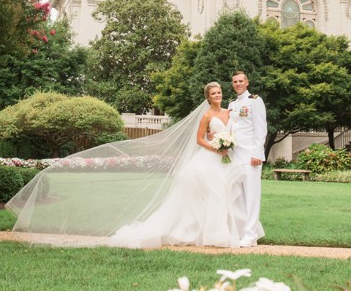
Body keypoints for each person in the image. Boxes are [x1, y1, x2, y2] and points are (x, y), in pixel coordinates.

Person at [103, 82, 244, 248]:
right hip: (211, 158)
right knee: (214, 193)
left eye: (219, 92)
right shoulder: (206, 116)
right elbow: (199, 140)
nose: (217, 95)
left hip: (226, 159)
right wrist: (216, 148)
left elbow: (235, 131)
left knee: (225, 193)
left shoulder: (230, 112)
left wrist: (227, 144)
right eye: (213, 93)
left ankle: (225, 232)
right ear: (208, 97)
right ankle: (213, 235)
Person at [228, 70, 266, 247]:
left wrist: (258, 153)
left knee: (252, 197)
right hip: (236, 155)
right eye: (235, 81)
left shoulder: (255, 101)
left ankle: (250, 236)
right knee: (240, 197)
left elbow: (260, 128)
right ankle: (246, 231)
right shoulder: (232, 104)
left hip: (251, 155)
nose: (238, 84)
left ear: (247, 82)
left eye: (241, 81)